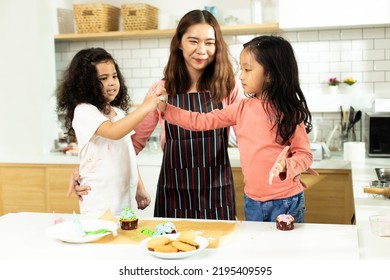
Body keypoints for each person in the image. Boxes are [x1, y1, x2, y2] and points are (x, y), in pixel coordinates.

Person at [69, 9, 244, 220]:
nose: (202, 50)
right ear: (179, 43)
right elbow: (131, 144)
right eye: (193, 41)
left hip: (217, 188)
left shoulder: (229, 87)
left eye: (209, 42)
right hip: (174, 191)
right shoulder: (160, 90)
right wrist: (85, 171)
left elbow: (248, 134)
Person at [157, 35, 318, 223]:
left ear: (271, 74)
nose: (241, 76)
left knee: (286, 251)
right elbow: (200, 121)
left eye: (247, 69)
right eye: (241, 69)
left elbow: (305, 155)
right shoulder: (241, 108)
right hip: (252, 201)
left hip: (287, 200)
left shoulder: (289, 112)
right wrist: (167, 109)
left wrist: (286, 165)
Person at [56, 47, 160, 218]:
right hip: (98, 198)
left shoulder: (118, 113)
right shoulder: (84, 111)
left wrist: (140, 187)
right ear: (86, 84)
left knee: (121, 239)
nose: (112, 82)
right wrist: (146, 108)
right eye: (103, 78)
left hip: (123, 197)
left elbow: (129, 153)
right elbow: (114, 132)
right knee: (102, 240)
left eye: (114, 76)